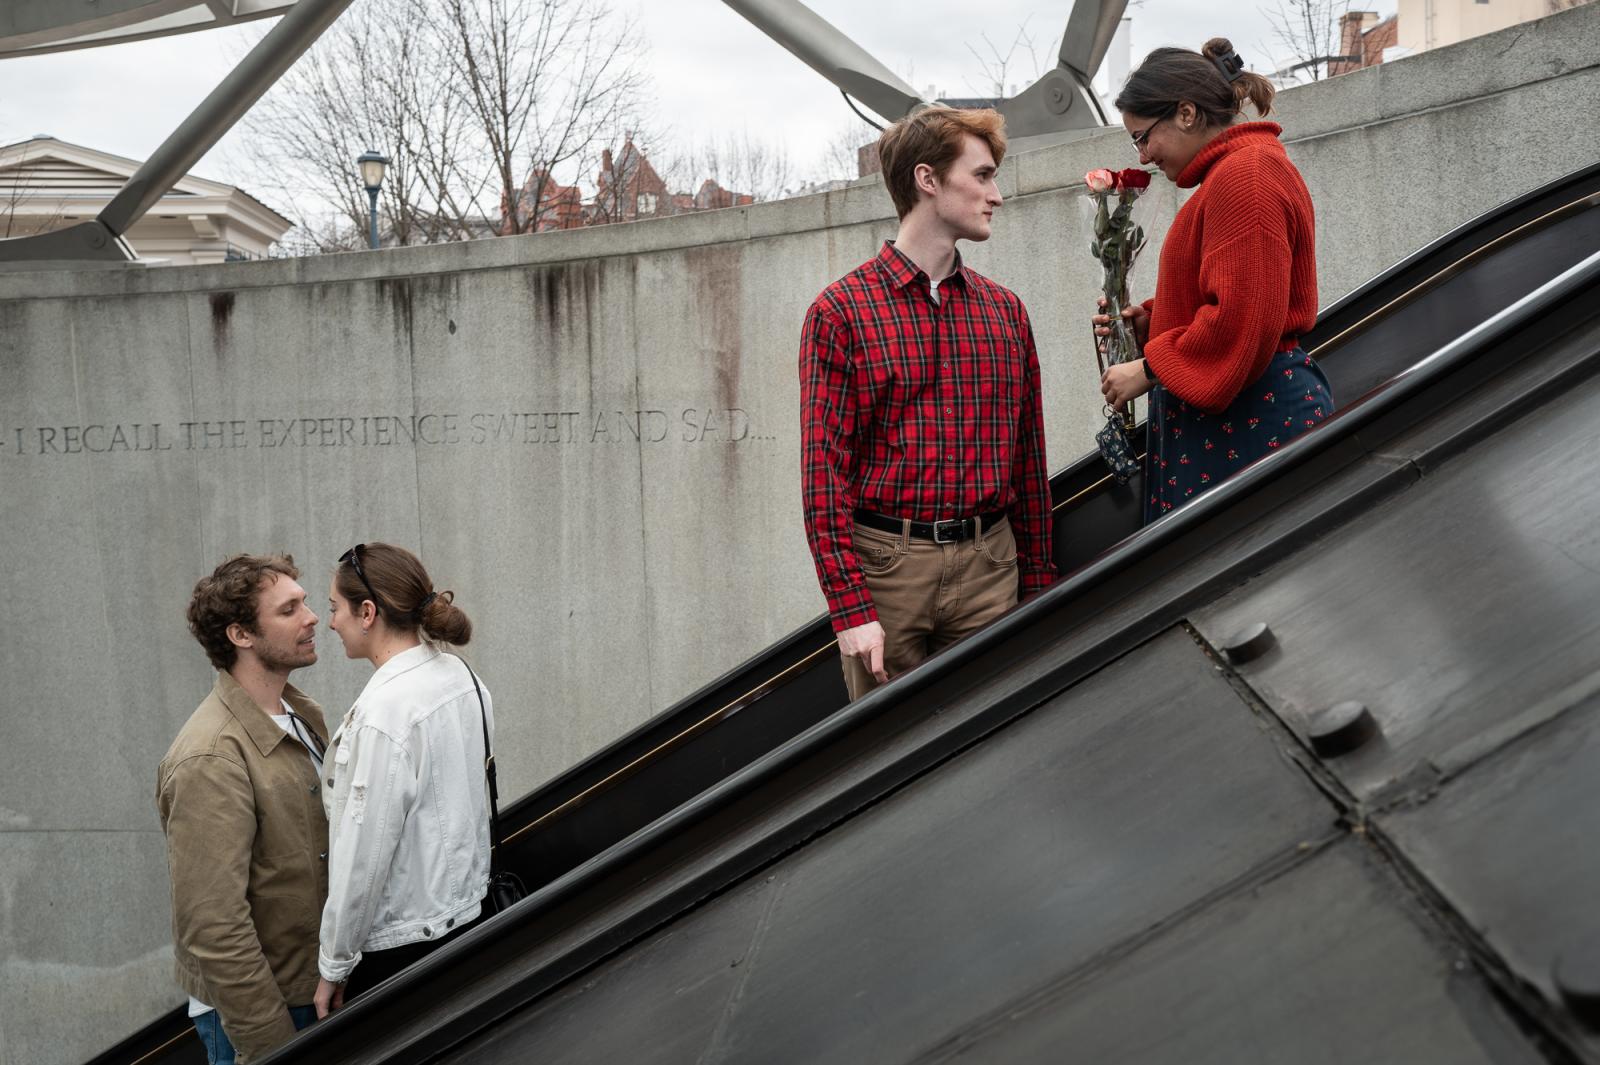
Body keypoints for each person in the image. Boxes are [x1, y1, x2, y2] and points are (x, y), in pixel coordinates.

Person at [800, 105, 1057, 702]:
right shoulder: (841, 313)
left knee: (994, 741)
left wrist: (1040, 580)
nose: (997, 194)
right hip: (888, 573)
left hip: (993, 568)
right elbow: (823, 474)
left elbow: (1028, 457)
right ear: (928, 179)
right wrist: (849, 609)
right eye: (983, 175)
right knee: (886, 760)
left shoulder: (1005, 312)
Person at [1095, 37, 1335, 522]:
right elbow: (1243, 297)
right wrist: (1155, 322)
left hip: (1251, 419)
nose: (1142, 156)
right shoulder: (1241, 170)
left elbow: (1241, 319)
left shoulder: (1245, 176)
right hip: (1243, 416)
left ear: (1186, 113)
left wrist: (1147, 370)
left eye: (1142, 136)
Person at [157, 554, 329, 1065]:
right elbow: (213, 925)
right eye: (289, 609)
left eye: (307, 602)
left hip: (314, 991)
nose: (312, 616)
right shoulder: (210, 756)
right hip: (264, 1016)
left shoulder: (302, 714)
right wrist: (274, 1045)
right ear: (241, 635)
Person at [314, 542, 491, 1016]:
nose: (330, 622)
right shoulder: (462, 677)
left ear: (367, 612)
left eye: (335, 609)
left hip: (403, 949)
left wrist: (334, 965)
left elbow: (363, 856)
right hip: (471, 919)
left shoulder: (384, 713)